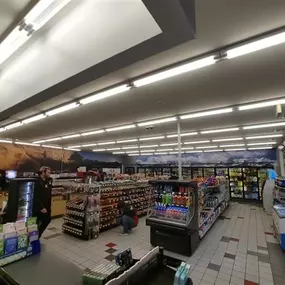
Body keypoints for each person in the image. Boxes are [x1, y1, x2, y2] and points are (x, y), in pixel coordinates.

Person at [32, 166, 52, 238]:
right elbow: (36, 196)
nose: (49, 174)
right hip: (40, 207)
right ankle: (35, 237)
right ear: (43, 172)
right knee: (37, 222)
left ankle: (37, 235)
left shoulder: (47, 181)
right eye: (48, 172)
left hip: (46, 206)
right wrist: (41, 207)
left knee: (47, 220)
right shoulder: (37, 182)